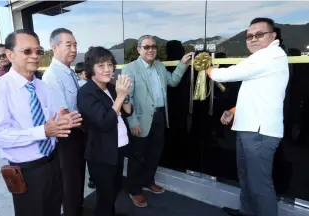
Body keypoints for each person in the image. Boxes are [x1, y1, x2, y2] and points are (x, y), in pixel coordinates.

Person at [0, 29, 82, 216]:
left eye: (38, 51)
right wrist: (42, 132)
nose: (35, 56)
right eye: (27, 51)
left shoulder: (43, 87)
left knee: (54, 210)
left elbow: (52, 121)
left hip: (53, 163)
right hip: (26, 171)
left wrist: (63, 120)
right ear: (10, 54)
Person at [206, 18, 289, 216]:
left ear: (273, 36)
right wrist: (233, 111)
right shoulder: (262, 57)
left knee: (260, 184)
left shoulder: (272, 55)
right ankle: (247, 212)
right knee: (246, 177)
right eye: (249, 36)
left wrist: (207, 69)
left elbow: (231, 73)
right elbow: (257, 94)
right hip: (248, 128)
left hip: (260, 133)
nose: (253, 39)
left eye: (259, 34)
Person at [122, 35, 193, 207]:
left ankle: (148, 181)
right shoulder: (130, 69)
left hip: (160, 116)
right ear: (139, 49)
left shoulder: (160, 67)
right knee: (138, 157)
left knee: (155, 153)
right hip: (140, 119)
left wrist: (182, 63)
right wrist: (133, 122)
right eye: (146, 47)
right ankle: (134, 189)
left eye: (153, 46)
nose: (150, 49)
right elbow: (126, 98)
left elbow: (173, 81)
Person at [77, 46, 132, 216]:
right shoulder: (86, 93)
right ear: (91, 69)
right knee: (105, 195)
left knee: (116, 187)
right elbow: (105, 122)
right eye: (101, 66)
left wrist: (125, 95)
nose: (107, 69)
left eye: (110, 65)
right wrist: (121, 97)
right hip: (101, 153)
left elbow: (128, 111)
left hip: (118, 148)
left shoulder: (110, 87)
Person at [42, 28, 87, 216]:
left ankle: (78, 209)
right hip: (68, 135)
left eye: (75, 45)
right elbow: (64, 112)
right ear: (55, 47)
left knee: (78, 180)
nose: (74, 49)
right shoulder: (52, 75)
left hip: (79, 132)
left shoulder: (69, 72)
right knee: (70, 184)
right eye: (69, 45)